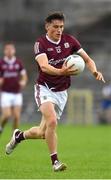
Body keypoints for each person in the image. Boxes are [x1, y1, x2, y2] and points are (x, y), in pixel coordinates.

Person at [6, 12, 105, 172]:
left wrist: (94, 71)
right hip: (44, 87)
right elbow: (44, 66)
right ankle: (55, 162)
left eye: (61, 27)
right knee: (52, 121)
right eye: (55, 27)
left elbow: (87, 60)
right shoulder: (40, 43)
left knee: (42, 133)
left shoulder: (69, 40)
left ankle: (19, 136)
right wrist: (62, 71)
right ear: (47, 27)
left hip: (62, 91)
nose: (59, 30)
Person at [0, 43, 27, 134]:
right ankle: (1, 127)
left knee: (16, 116)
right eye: (7, 49)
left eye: (11, 49)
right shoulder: (1, 63)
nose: (9, 51)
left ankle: (14, 136)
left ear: (14, 51)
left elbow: (24, 75)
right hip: (6, 93)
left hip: (17, 93)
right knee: (7, 115)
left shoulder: (18, 63)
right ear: (4, 51)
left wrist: (23, 81)